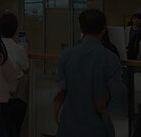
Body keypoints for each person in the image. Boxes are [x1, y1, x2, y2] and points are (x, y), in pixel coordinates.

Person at [54, 9, 126, 137]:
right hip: (97, 126)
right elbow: (117, 93)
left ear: (80, 28)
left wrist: (57, 117)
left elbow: (60, 92)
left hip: (68, 125)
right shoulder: (110, 58)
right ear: (104, 29)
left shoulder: (66, 56)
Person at [0, 12, 29, 137]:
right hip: (13, 100)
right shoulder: (18, 49)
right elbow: (26, 68)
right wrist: (25, 51)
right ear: (15, 30)